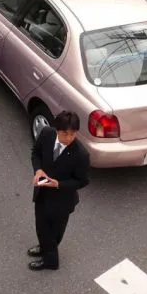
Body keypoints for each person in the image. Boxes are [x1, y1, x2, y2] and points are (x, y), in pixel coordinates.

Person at [28, 110, 90, 270]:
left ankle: (50, 261)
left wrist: (59, 184)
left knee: (54, 233)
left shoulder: (81, 155)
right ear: (56, 129)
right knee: (41, 225)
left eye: (73, 134)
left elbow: (82, 181)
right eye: (65, 133)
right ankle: (43, 248)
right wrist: (38, 170)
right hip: (42, 193)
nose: (69, 138)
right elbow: (35, 153)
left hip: (62, 201)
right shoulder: (46, 134)